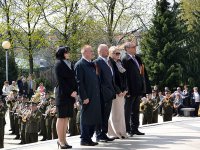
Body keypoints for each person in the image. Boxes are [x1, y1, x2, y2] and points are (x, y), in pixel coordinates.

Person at [121, 42, 151, 136]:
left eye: (135, 47)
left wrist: (146, 88)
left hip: (139, 89)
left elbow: (143, 73)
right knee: (128, 110)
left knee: (136, 110)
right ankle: (128, 129)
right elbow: (124, 77)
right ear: (127, 49)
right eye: (133, 47)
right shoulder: (125, 59)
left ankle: (135, 128)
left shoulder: (137, 58)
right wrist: (127, 90)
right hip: (130, 90)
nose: (135, 48)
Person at [75, 45, 101, 146]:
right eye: (91, 51)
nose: (93, 53)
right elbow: (79, 83)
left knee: (93, 117)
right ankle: (84, 139)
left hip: (94, 95)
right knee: (86, 118)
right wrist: (84, 97)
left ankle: (89, 137)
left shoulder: (91, 64)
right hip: (87, 97)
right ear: (85, 52)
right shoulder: (80, 65)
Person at [54, 46, 77, 149]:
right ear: (62, 53)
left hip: (70, 95)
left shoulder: (69, 63)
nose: (69, 53)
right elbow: (61, 81)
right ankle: (60, 140)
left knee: (66, 118)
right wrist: (70, 92)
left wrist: (75, 90)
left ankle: (64, 140)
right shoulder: (58, 64)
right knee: (61, 118)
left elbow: (74, 78)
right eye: (67, 52)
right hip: (63, 95)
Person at [94, 44, 116, 142]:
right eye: (106, 50)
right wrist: (103, 91)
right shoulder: (97, 62)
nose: (108, 52)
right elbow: (98, 79)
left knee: (106, 114)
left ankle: (104, 133)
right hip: (103, 93)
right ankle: (99, 135)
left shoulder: (108, 62)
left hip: (110, 92)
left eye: (107, 50)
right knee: (101, 114)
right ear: (100, 51)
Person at [107, 46, 128, 139]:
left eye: (119, 53)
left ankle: (122, 132)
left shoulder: (119, 63)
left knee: (120, 114)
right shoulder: (110, 63)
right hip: (115, 92)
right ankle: (114, 133)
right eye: (116, 53)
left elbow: (125, 77)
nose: (118, 55)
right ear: (111, 54)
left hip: (122, 92)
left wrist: (126, 89)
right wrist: (118, 91)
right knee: (115, 114)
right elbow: (112, 79)